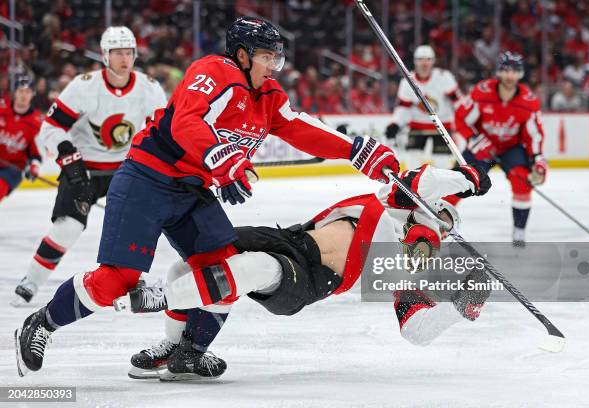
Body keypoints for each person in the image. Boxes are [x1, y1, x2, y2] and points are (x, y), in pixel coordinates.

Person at [14, 16, 399, 378]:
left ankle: (186, 352)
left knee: (225, 268)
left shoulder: (268, 94)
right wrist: (224, 160)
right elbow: (186, 122)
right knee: (118, 279)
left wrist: (357, 150)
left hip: (192, 189)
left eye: (276, 58)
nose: (273, 66)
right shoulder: (213, 71)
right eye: (266, 57)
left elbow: (299, 127)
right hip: (147, 179)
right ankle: (41, 323)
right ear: (243, 54)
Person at [118, 162, 491, 380]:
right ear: (426, 205)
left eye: (447, 229)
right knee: (192, 262)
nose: (441, 229)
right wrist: (468, 179)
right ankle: (181, 352)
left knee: (252, 268)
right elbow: (419, 181)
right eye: (442, 218)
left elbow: (416, 331)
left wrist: (460, 307)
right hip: (292, 239)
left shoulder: (400, 264)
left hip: (310, 280)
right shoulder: (386, 201)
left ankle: (161, 298)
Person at [13, 26, 168, 305]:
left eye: (129, 52)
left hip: (126, 169)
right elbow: (51, 127)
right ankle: (31, 281)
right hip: (83, 169)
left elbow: (162, 133)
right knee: (67, 228)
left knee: (135, 227)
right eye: (118, 52)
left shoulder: (150, 88)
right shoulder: (84, 86)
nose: (125, 58)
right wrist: (68, 156)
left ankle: (130, 278)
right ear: (105, 56)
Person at [447, 51, 547, 247]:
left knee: (522, 181)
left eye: (515, 71)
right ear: (499, 72)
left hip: (511, 148)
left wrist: (538, 160)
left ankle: (519, 230)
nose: (510, 76)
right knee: (458, 181)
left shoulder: (529, 101)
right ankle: (441, 224)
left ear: (521, 74)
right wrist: (473, 139)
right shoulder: (482, 92)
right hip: (483, 146)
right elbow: (460, 118)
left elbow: (534, 134)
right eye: (506, 70)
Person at [384, 45, 461, 169]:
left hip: (442, 126)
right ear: (415, 61)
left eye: (428, 59)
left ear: (434, 61)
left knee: (443, 165)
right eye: (420, 59)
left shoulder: (444, 77)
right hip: (417, 126)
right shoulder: (407, 82)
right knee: (412, 164)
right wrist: (395, 124)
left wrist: (464, 123)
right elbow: (403, 108)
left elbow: (458, 103)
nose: (424, 63)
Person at [0, 76, 43, 203]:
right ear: (15, 93)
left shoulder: (37, 122)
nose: (24, 95)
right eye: (21, 91)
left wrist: (34, 167)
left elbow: (37, 153)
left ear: (32, 94)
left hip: (12, 169)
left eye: (28, 92)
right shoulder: (2, 107)